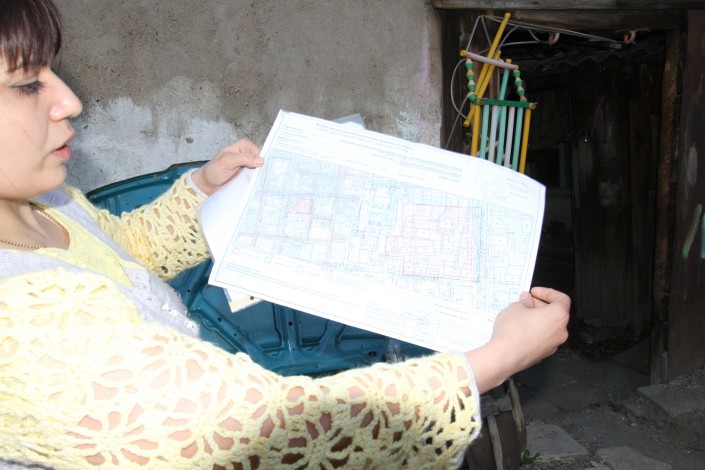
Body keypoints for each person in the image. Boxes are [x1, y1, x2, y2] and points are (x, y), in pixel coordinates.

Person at [0, 0, 570, 468]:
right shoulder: (19, 318)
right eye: (27, 84)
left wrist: (203, 188)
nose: (69, 101)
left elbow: (123, 250)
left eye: (53, 71)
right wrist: (495, 359)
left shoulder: (49, 208)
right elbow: (267, 428)